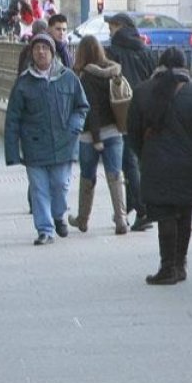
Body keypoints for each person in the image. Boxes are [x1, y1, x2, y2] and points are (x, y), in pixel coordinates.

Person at [127, 48, 192, 285]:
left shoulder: (143, 92)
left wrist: (145, 154)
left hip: (156, 163)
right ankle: (179, 264)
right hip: (189, 164)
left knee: (164, 214)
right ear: (184, 66)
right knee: (184, 214)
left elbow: (132, 131)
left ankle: (167, 266)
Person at [4, 33, 89, 245]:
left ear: (52, 52)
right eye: (37, 48)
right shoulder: (24, 82)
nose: (41, 52)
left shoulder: (68, 78)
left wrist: (75, 126)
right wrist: (12, 152)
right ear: (31, 53)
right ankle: (45, 229)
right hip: (34, 145)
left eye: (45, 48)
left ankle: (58, 215)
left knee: (60, 185)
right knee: (39, 189)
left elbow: (82, 107)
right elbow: (13, 118)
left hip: (63, 143)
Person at [68, 35, 130, 235]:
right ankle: (121, 219)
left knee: (87, 176)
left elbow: (91, 108)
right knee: (115, 176)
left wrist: (96, 138)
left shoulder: (87, 76)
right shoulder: (114, 72)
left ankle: (83, 219)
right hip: (114, 131)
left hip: (89, 136)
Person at [104, 12, 158, 231]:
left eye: (111, 27)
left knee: (129, 161)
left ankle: (143, 210)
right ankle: (133, 206)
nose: (109, 32)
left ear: (120, 27)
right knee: (137, 160)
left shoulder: (112, 52)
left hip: (122, 110)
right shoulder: (145, 50)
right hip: (145, 111)